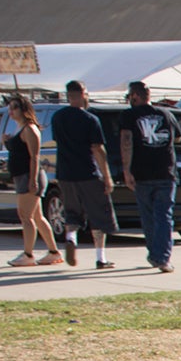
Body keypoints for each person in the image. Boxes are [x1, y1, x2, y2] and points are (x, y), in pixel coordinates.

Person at [49, 79, 116, 268]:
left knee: (72, 211)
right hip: (88, 172)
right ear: (83, 94)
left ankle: (71, 237)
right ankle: (100, 257)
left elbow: (58, 141)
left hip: (65, 173)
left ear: (68, 95)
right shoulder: (90, 119)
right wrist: (107, 176)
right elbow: (97, 149)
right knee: (98, 214)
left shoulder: (58, 117)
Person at [119, 81, 179, 272]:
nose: (129, 100)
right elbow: (178, 137)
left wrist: (126, 170)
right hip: (166, 171)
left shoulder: (129, 115)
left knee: (149, 216)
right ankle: (161, 257)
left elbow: (126, 141)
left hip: (142, 173)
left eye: (130, 96)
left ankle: (156, 255)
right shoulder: (166, 114)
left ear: (135, 96)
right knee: (164, 216)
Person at [0, 96, 61, 266]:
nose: (11, 112)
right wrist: (7, 141)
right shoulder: (19, 128)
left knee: (25, 216)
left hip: (29, 176)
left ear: (24, 110)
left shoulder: (30, 129)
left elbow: (34, 156)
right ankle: (53, 252)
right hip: (21, 175)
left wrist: (33, 181)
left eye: (15, 108)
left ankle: (28, 254)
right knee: (37, 217)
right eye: (10, 108)